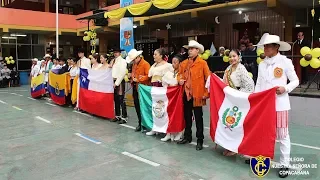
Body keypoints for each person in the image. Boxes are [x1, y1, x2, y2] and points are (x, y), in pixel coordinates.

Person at [253, 34, 299, 178]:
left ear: (276, 47)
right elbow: (259, 84)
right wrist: (255, 99)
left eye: (268, 46)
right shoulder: (261, 64)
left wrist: (285, 88)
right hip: (264, 106)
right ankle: (262, 158)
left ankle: (285, 164)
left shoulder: (285, 62)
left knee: (283, 135)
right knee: (263, 133)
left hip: (280, 104)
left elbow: (295, 80)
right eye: (264, 46)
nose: (265, 48)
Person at [206, 49, 254, 156]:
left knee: (237, 123)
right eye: (230, 56)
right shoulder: (228, 69)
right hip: (230, 100)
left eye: (234, 56)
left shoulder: (242, 69)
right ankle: (229, 145)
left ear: (239, 57)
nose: (232, 58)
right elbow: (224, 83)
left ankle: (235, 147)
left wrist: (237, 94)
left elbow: (250, 86)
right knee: (228, 123)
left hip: (238, 99)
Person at [177, 40, 211, 151]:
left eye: (192, 49)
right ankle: (187, 136)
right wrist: (179, 79)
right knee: (187, 116)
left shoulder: (202, 63)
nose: (190, 51)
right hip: (186, 94)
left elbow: (208, 78)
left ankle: (200, 139)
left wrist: (206, 93)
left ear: (197, 50)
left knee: (198, 118)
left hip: (198, 94)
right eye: (189, 49)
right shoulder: (183, 63)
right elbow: (179, 75)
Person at [145, 48, 174, 136]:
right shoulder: (153, 65)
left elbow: (170, 78)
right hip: (154, 90)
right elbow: (149, 75)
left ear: (161, 56)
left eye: (155, 54)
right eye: (154, 54)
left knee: (163, 109)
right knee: (155, 109)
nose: (154, 56)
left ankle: (167, 132)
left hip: (162, 90)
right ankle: (155, 128)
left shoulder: (167, 65)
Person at [161, 54, 185, 142]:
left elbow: (179, 83)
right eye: (172, 62)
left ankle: (179, 132)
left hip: (179, 97)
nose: (173, 64)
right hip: (170, 97)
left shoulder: (182, 73)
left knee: (178, 115)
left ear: (180, 63)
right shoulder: (169, 73)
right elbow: (164, 82)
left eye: (175, 62)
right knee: (169, 114)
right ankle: (169, 133)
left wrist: (178, 83)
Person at [126, 49, 150, 132]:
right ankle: (140, 123)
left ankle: (145, 124)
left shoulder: (145, 64)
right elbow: (133, 74)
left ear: (138, 57)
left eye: (133, 60)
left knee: (144, 107)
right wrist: (131, 78)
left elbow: (148, 76)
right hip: (135, 87)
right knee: (137, 106)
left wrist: (139, 79)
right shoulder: (134, 65)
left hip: (143, 88)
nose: (133, 61)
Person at [109, 48, 128, 124]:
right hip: (113, 80)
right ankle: (117, 115)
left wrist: (116, 83)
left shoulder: (123, 61)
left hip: (119, 81)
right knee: (115, 99)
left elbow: (122, 73)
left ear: (120, 53)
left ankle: (124, 117)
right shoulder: (114, 61)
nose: (115, 54)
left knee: (121, 99)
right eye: (114, 52)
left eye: (117, 52)